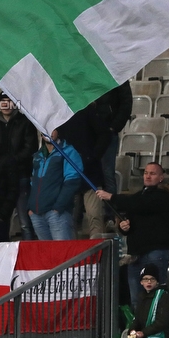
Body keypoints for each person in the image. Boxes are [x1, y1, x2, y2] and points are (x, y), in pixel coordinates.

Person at [96, 163, 169, 308]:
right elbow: (130, 219)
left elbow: (139, 204)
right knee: (136, 300)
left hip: (154, 252)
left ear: (161, 177)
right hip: (136, 254)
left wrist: (112, 196)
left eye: (153, 173)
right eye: (146, 172)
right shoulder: (139, 196)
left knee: (156, 298)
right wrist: (124, 227)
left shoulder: (162, 196)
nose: (148, 176)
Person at [59, 102, 112, 237]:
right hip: (68, 176)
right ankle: (72, 255)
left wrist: (92, 156)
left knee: (94, 216)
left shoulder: (86, 110)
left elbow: (105, 134)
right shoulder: (58, 114)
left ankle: (98, 255)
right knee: (69, 220)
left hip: (90, 174)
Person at [0, 93, 38, 239]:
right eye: (3, 101)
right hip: (2, 179)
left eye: (9, 100)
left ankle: (30, 251)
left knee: (25, 221)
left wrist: (11, 162)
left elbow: (30, 148)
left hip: (21, 175)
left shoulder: (25, 122)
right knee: (1, 220)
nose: (6, 104)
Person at [26, 130, 84, 241]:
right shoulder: (38, 155)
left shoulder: (69, 152)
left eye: (52, 128)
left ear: (59, 130)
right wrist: (30, 208)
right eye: (44, 128)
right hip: (36, 214)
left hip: (58, 214)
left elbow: (72, 182)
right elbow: (33, 182)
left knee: (64, 255)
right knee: (47, 256)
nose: (48, 131)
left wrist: (58, 208)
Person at [119, 264, 169, 338]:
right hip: (145, 334)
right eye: (145, 279)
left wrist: (143, 333)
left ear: (157, 282)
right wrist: (132, 331)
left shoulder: (163, 296)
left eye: (152, 279)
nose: (149, 282)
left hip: (162, 334)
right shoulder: (141, 297)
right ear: (141, 282)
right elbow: (137, 319)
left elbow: (162, 322)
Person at [95, 82, 133, 195]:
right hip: (89, 132)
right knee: (85, 171)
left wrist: (113, 127)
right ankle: (81, 210)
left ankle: (110, 209)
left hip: (108, 132)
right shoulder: (88, 71)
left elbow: (126, 103)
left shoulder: (117, 73)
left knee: (107, 172)